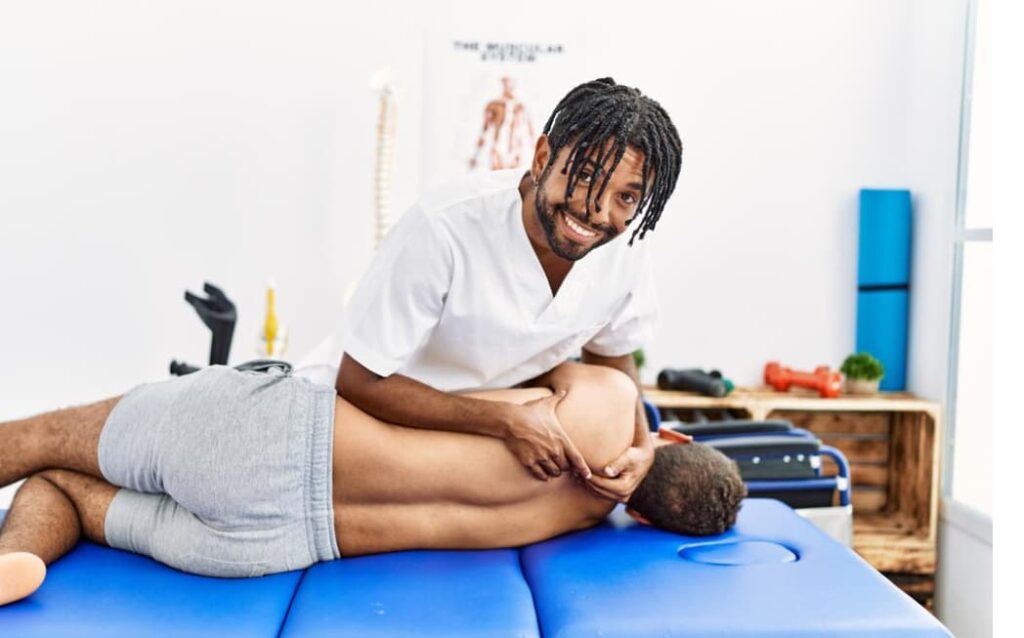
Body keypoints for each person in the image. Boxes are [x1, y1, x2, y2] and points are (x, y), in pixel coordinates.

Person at [0, 362, 744, 606]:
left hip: (275, 436)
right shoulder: (579, 527)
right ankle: (18, 561)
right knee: (65, 491)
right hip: (270, 545)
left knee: (38, 441)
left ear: (672, 438)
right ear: (651, 525)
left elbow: (546, 358)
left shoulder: (611, 405)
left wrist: (638, 421)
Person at [298, 77, 684, 504]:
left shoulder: (624, 250)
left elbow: (612, 363)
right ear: (542, 159)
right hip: (354, 417)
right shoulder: (444, 227)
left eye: (627, 197)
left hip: (475, 430)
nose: (596, 211)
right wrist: (505, 420)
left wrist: (641, 443)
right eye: (586, 174)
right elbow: (359, 381)